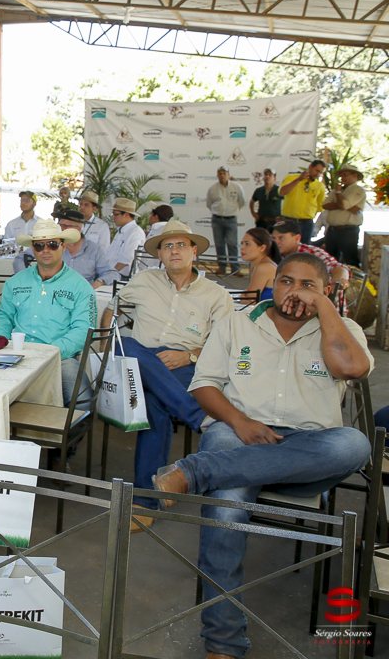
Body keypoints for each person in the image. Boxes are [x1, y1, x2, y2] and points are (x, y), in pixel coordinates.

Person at [152, 253, 372, 659]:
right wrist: (239, 422)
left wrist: (324, 310)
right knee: (227, 505)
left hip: (309, 450)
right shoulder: (239, 322)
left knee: (354, 444)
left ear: (325, 290)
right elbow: (204, 385)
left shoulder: (342, 328)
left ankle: (194, 472)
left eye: (308, 284)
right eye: (287, 281)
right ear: (275, 284)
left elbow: (352, 368)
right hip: (239, 436)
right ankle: (224, 642)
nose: (294, 291)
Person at [99, 221, 233, 528]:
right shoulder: (144, 280)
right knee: (129, 344)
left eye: (181, 245)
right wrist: (108, 335)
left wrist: (189, 354)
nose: (175, 251)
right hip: (141, 362)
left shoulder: (215, 295)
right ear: (159, 254)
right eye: (168, 246)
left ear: (194, 251)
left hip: (187, 368)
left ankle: (144, 503)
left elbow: (226, 343)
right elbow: (115, 306)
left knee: (153, 405)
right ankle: (198, 417)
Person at [0, 219, 97, 406]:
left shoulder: (81, 286)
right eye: (39, 245)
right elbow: (4, 315)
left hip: (60, 356)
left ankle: (67, 435)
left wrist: (51, 352)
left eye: (52, 244)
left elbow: (83, 330)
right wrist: (1, 339)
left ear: (63, 246)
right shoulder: (15, 281)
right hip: (16, 351)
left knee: (82, 400)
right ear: (33, 248)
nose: (46, 250)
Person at [12, 209, 120, 289]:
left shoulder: (93, 249)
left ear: (78, 229)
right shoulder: (52, 245)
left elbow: (113, 274)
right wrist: (29, 279)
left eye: (66, 226)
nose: (62, 229)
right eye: (60, 225)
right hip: (52, 293)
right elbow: (19, 259)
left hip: (82, 294)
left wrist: (98, 283)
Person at [269, 219, 350, 312]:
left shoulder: (312, 253)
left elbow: (338, 267)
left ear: (297, 238)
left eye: (281, 238)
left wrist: (340, 279)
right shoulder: (280, 257)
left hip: (324, 312)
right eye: (273, 238)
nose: (276, 242)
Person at [321, 162, 366, 266]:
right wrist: (347, 206)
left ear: (355, 176)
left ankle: (355, 281)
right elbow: (325, 205)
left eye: (345, 175)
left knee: (351, 259)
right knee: (330, 260)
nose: (342, 178)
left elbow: (344, 205)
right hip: (332, 230)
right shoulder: (337, 190)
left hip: (348, 231)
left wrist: (338, 195)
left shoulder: (358, 190)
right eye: (341, 175)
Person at [206, 166, 245, 275]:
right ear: (217, 175)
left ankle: (235, 269)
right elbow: (209, 204)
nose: (222, 175)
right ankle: (222, 267)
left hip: (231, 219)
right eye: (220, 173)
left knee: (232, 244)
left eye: (224, 173)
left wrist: (232, 211)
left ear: (228, 174)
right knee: (219, 244)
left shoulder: (236, 187)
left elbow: (242, 202)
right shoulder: (213, 188)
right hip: (217, 219)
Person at [278, 158, 326, 242]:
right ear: (310, 167)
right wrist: (298, 179)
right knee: (285, 248)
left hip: (307, 223)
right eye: (317, 170)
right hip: (289, 222)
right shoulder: (291, 177)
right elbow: (282, 192)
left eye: (321, 172)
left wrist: (308, 213)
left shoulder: (319, 186)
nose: (318, 174)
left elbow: (320, 206)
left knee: (304, 250)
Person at [103, 198, 144, 276]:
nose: (112, 217)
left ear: (126, 215)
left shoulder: (136, 232)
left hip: (123, 277)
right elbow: (109, 254)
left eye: (115, 214)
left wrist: (110, 275)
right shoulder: (120, 231)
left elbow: (126, 259)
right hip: (113, 273)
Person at [239, 227, 280, 302]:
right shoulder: (260, 265)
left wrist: (243, 298)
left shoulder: (263, 268)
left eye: (247, 244)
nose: (242, 248)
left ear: (262, 248)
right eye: (242, 243)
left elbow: (249, 302)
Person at [249, 167, 282, 232]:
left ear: (274, 178)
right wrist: (253, 213)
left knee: (275, 241)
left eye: (270, 175)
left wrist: (283, 216)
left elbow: (288, 202)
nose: (267, 176)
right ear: (263, 178)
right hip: (261, 222)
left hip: (275, 222)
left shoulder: (279, 190)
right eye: (265, 175)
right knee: (260, 241)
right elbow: (252, 202)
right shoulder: (259, 190)